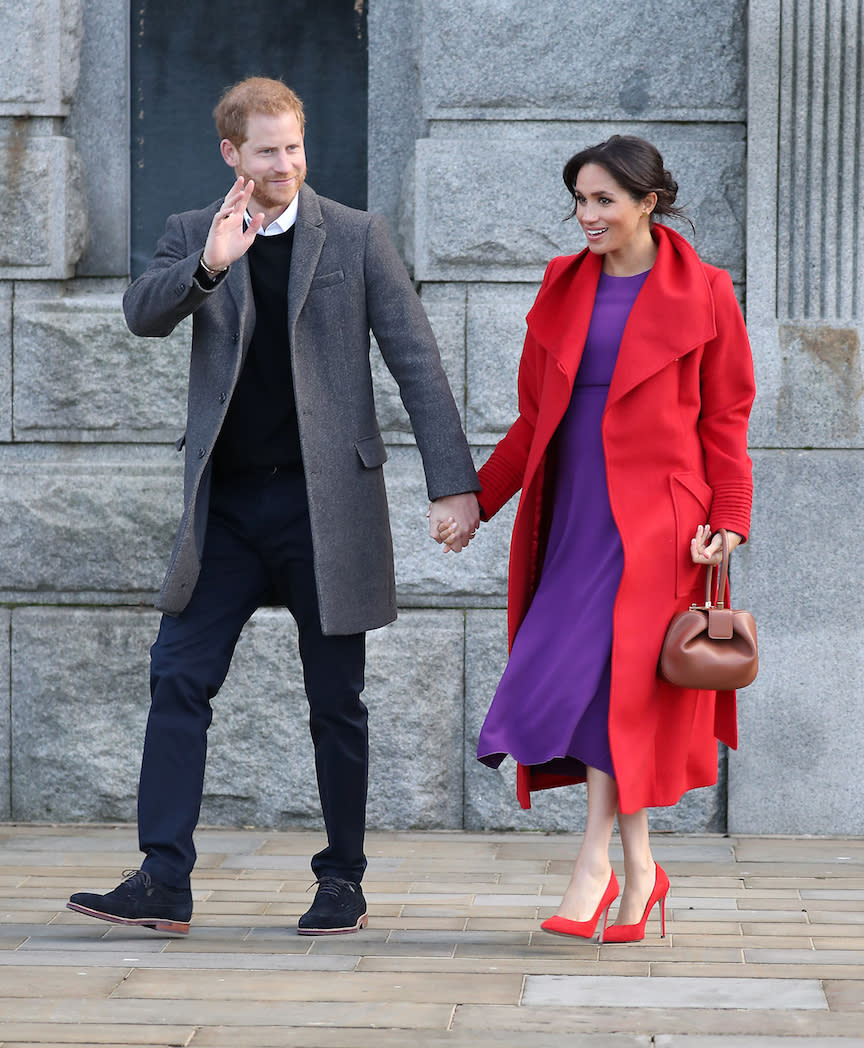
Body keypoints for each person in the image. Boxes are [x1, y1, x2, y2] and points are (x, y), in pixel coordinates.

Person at [66, 77, 480, 936]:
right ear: (232, 155)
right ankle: (163, 881)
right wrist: (212, 263)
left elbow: (417, 360)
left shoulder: (359, 236)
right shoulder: (193, 234)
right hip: (226, 512)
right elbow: (142, 314)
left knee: (336, 697)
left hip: (325, 507)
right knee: (178, 675)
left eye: (293, 147)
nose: (285, 164)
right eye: (267, 150)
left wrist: (453, 483)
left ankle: (342, 882)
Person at [444, 135, 754, 943]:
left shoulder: (710, 293)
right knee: (587, 683)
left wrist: (730, 517)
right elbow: (531, 420)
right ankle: (641, 867)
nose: (586, 216)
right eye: (578, 200)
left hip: (661, 524)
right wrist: (479, 499)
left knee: (616, 686)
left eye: (603, 201)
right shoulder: (560, 285)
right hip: (573, 514)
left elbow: (726, 419)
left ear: (648, 202)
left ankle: (593, 866)